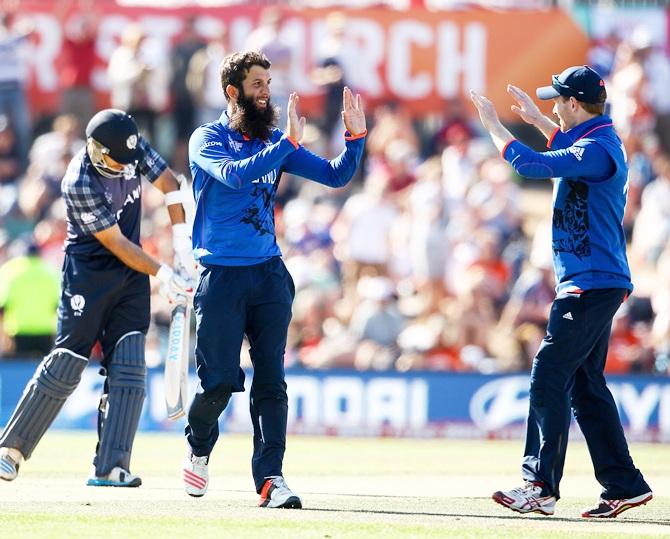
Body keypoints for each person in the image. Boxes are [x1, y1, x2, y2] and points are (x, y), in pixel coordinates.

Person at [183, 51, 366, 508]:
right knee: (219, 384)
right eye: (258, 84)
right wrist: (284, 145)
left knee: (271, 381)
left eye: (269, 81)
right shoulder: (207, 138)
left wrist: (356, 135)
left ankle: (271, 478)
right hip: (221, 276)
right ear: (233, 91)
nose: (267, 91)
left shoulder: (273, 142)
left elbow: (337, 174)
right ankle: (199, 447)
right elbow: (233, 176)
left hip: (268, 275)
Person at [470, 65, 653, 518]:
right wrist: (537, 121)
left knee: (549, 373)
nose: (552, 105)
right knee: (586, 386)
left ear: (574, 104)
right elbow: (568, 150)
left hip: (590, 284)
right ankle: (624, 484)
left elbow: (529, 164)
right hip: (594, 280)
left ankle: (539, 486)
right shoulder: (595, 141)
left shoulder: (597, 147)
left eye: (556, 101)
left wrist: (496, 127)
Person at [0, 109, 196, 486]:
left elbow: (172, 185)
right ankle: (10, 450)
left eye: (130, 161)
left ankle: (111, 466)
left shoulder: (131, 150)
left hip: (132, 273)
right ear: (96, 148)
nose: (126, 168)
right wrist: (165, 274)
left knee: (130, 367)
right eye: (117, 161)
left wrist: (182, 246)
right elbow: (116, 243)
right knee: (67, 363)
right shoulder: (79, 180)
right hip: (89, 274)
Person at [0, 240, 60, 358]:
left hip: (18, 331)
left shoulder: (10, 271)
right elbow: (58, 306)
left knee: (19, 372)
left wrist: (4, 336)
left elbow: (3, 307)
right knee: (45, 371)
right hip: (45, 330)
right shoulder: (50, 272)